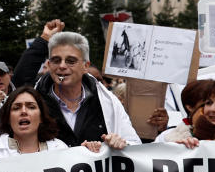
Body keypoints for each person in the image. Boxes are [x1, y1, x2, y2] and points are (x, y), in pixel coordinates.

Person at [12, 21, 141, 147]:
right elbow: (20, 79)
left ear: (85, 66)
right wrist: (44, 38)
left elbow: (134, 144)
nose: (62, 66)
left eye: (71, 61)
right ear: (49, 65)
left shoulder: (107, 102)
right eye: (56, 60)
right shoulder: (36, 98)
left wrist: (119, 144)